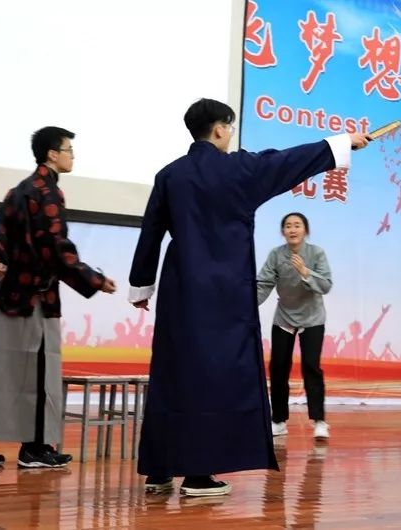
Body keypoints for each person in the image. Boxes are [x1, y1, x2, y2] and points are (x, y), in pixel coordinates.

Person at [128, 98, 371, 497]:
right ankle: (199, 473)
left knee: (173, 374)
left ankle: (159, 469)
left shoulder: (169, 175)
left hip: (180, 290)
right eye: (231, 128)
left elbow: (151, 231)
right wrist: (342, 143)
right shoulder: (239, 169)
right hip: (223, 295)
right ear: (220, 129)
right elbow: (289, 160)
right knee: (214, 378)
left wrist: (141, 286)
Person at [0, 126, 116, 468]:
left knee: (5, 371)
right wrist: (94, 280)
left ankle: (6, 444)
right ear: (52, 154)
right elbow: (56, 249)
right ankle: (28, 448)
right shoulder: (47, 194)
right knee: (39, 372)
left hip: (14, 296)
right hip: (34, 299)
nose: (73, 155)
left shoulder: (18, 191)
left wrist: (0, 263)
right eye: (69, 149)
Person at [257, 212, 332, 440]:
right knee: (278, 367)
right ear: (283, 232)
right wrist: (245, 306)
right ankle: (278, 420)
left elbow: (326, 285)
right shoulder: (276, 255)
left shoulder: (316, 253)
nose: (292, 229)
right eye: (288, 226)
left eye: (297, 225)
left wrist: (305, 272)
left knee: (311, 366)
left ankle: (319, 421)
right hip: (285, 317)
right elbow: (264, 283)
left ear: (305, 230)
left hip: (312, 318)